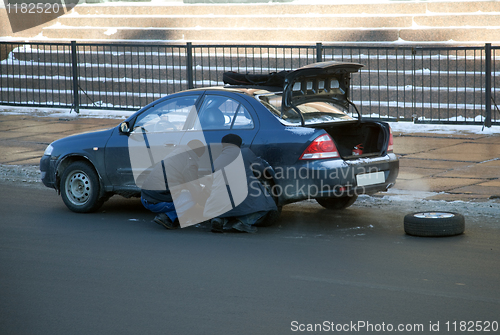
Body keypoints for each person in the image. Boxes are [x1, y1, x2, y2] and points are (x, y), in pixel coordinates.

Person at [203, 134, 278, 233]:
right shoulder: (245, 152)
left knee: (222, 202)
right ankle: (243, 223)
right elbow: (261, 170)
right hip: (240, 197)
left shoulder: (217, 160)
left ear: (223, 145)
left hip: (216, 202)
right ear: (239, 144)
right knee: (268, 203)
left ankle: (218, 220)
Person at [141, 139, 206, 229]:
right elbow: (195, 190)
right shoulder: (190, 163)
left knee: (184, 191)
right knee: (193, 198)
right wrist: (205, 204)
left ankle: (174, 215)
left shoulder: (177, 153)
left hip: (144, 197)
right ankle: (168, 217)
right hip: (156, 202)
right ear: (198, 154)